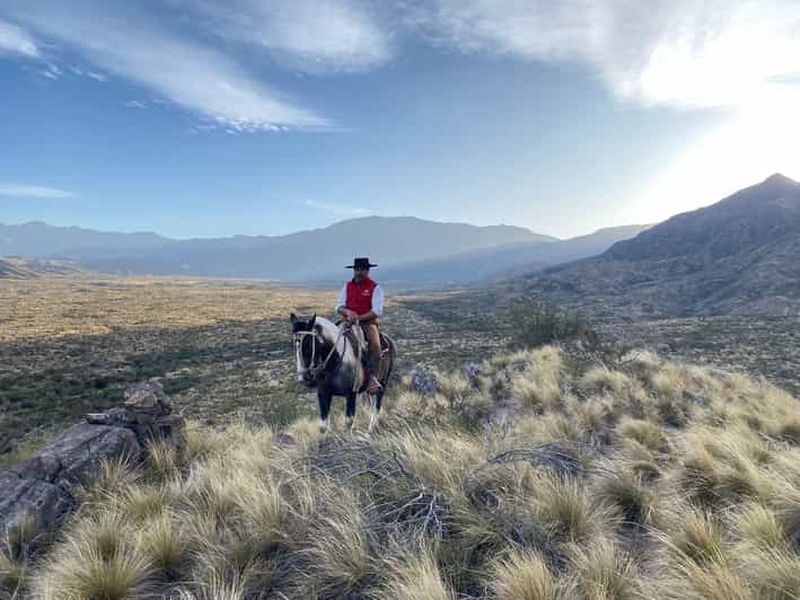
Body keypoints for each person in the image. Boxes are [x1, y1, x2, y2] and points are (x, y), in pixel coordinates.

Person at [336, 257, 384, 394]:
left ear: (367, 271)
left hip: (367, 323)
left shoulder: (375, 288)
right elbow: (339, 305)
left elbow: (377, 311)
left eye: (362, 269)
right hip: (347, 322)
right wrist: (346, 311)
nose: (359, 272)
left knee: (375, 346)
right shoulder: (347, 286)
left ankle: (373, 378)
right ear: (354, 270)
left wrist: (359, 318)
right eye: (357, 269)